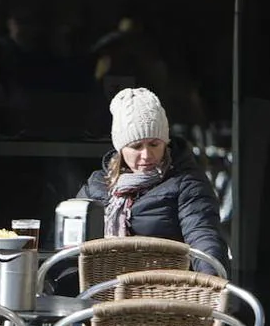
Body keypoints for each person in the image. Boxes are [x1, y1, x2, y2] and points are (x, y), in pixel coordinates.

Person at [77, 87, 227, 273]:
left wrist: (212, 281)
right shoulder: (98, 184)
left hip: (164, 292)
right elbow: (71, 243)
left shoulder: (186, 182)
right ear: (120, 149)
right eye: (136, 146)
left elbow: (203, 235)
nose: (147, 155)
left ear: (166, 142)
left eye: (154, 144)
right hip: (103, 290)